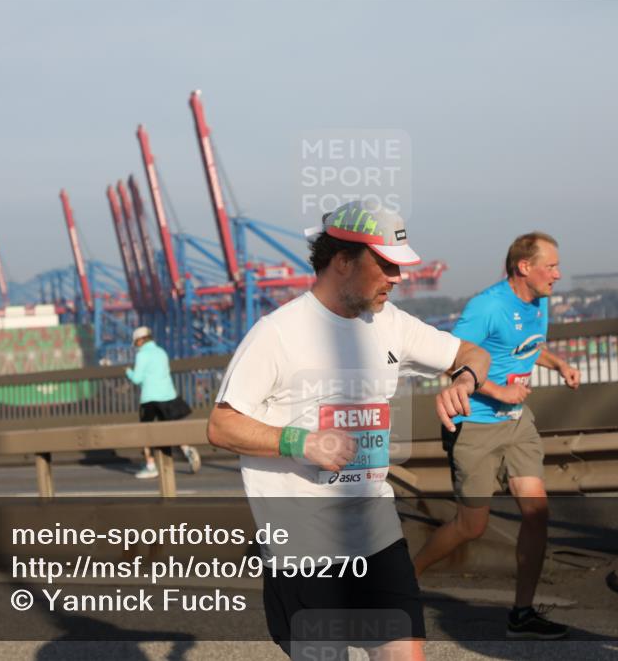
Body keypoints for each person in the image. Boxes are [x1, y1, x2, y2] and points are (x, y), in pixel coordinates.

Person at [207, 201, 493, 660]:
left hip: (376, 535)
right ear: (342, 261)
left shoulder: (390, 324)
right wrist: (300, 441)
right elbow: (222, 425)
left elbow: (473, 354)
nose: (397, 278)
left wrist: (464, 381)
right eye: (385, 265)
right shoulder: (277, 333)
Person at [412, 232, 581, 640]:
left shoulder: (539, 301)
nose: (557, 274)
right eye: (551, 266)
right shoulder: (486, 306)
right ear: (525, 267)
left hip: (518, 424)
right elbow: (452, 363)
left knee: (536, 513)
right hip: (476, 426)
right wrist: (498, 391)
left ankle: (522, 614)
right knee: (471, 526)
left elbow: (527, 346)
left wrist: (558, 364)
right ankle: (404, 581)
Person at [126, 326, 201, 478]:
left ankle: (151, 466)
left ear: (140, 340)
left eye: (136, 342)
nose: (136, 346)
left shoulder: (142, 355)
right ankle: (187, 450)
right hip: (168, 396)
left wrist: (128, 372)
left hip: (149, 399)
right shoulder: (162, 352)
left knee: (146, 432)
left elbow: (137, 379)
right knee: (170, 429)